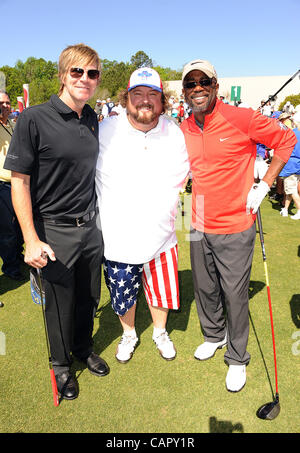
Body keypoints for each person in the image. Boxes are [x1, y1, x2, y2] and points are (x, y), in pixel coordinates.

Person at [180, 59, 297, 392]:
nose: (198, 87)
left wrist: (266, 182)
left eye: (205, 81)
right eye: (191, 83)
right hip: (193, 216)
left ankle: (236, 357)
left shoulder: (242, 118)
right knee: (204, 288)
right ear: (185, 92)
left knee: (234, 294)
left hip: (235, 221)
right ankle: (214, 335)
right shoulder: (184, 127)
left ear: (216, 86)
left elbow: (286, 140)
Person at [4, 43, 110, 401]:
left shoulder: (92, 118)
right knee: (59, 303)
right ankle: (61, 365)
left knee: (88, 297)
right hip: (54, 228)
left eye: (92, 73)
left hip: (90, 228)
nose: (85, 79)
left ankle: (83, 348)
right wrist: (31, 239)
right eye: (77, 71)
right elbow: (20, 181)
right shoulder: (34, 118)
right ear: (63, 75)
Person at [96, 67, 189, 363]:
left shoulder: (175, 131)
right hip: (116, 238)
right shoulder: (104, 130)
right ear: (127, 98)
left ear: (162, 100)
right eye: (138, 94)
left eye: (153, 95)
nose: (145, 101)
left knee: (161, 291)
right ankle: (129, 334)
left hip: (163, 235)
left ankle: (160, 332)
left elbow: (188, 172)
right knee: (123, 295)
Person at [0, 90, 24, 280]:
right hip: (2, 185)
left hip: (17, 184)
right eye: (1, 103)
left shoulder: (11, 124)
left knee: (20, 227)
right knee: (7, 230)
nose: (5, 106)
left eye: (8, 103)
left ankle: (17, 256)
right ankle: (10, 267)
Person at [278, 113, 300, 219]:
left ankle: (299, 210)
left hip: (291, 164)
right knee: (290, 190)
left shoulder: (292, 133)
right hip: (297, 165)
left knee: (291, 190)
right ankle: (285, 209)